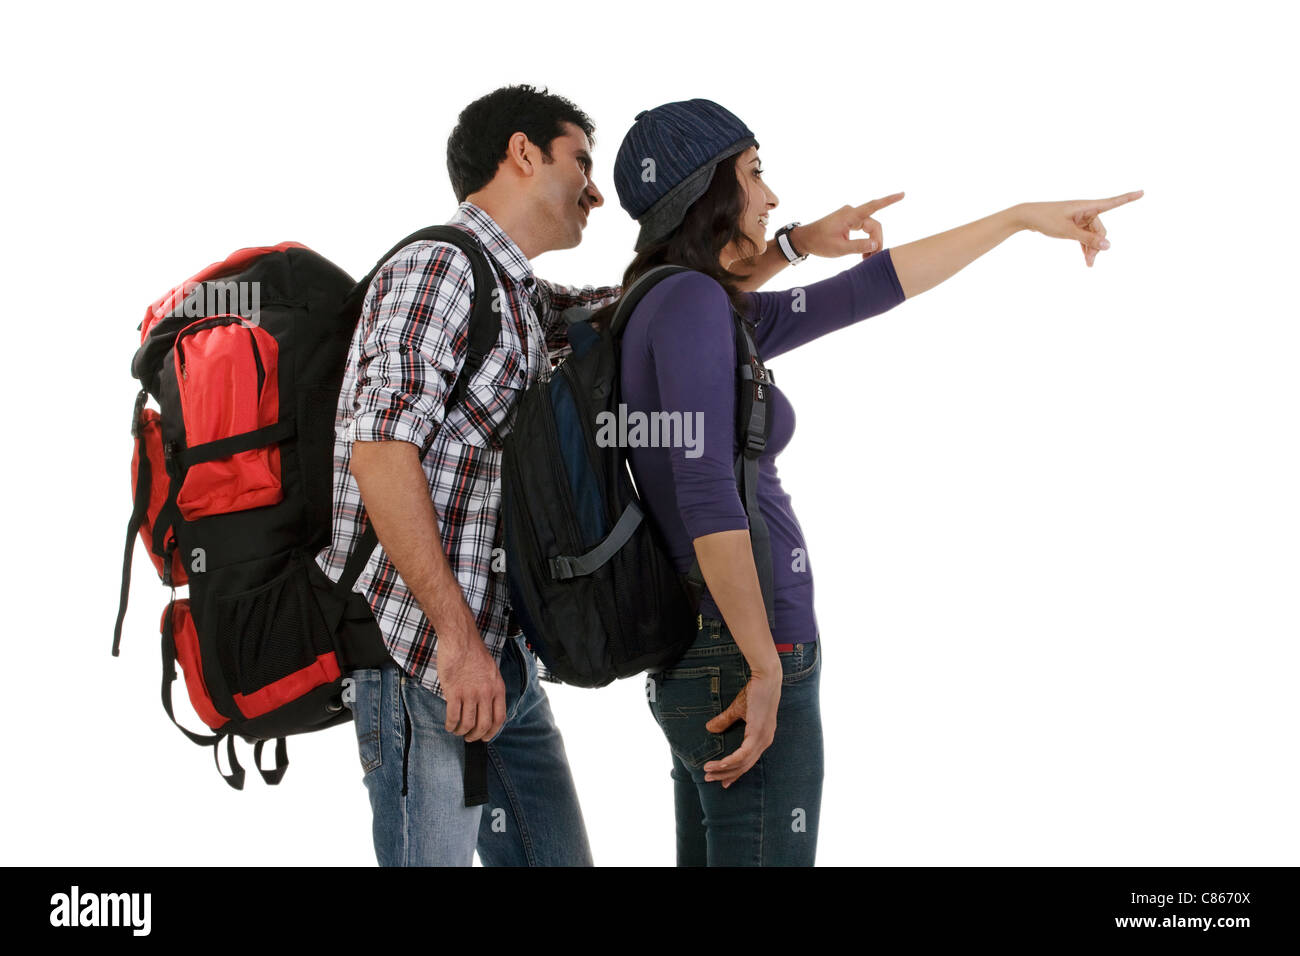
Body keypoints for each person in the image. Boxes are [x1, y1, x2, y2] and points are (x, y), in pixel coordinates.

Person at [603, 98, 1143, 866]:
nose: (772, 194)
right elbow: (704, 496)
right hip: (741, 645)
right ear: (709, 192)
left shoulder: (675, 303)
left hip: (715, 644)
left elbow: (868, 289)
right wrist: (763, 667)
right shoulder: (690, 304)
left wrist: (1017, 219)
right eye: (754, 172)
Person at [314, 85, 620, 867]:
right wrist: (455, 643)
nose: (596, 191)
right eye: (582, 161)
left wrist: (781, 247)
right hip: (421, 660)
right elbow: (380, 448)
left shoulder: (518, 295)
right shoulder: (439, 266)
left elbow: (642, 306)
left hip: (500, 666)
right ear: (523, 153)